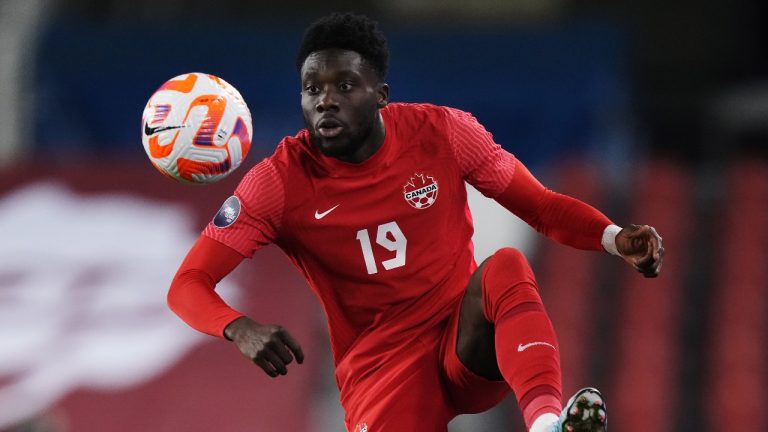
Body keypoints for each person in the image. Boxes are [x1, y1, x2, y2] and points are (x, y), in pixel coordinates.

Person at [167, 12, 663, 432]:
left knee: (506, 266)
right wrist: (239, 328)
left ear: (380, 94)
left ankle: (547, 424)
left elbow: (542, 206)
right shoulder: (278, 182)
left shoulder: (443, 134)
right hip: (380, 373)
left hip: (460, 344)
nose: (325, 100)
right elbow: (188, 284)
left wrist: (616, 238)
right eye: (311, 89)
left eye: (344, 85)